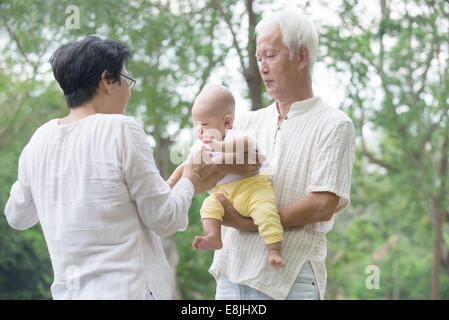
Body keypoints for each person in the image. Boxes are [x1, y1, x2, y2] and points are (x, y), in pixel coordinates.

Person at [3, 36, 255, 300]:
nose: (130, 90)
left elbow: (17, 217)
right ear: (106, 81)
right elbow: (164, 218)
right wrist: (190, 180)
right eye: (127, 80)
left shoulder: (39, 139)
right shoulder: (120, 129)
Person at [209, 9, 356, 300]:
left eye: (271, 55)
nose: (262, 67)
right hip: (230, 274)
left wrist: (249, 224)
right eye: (259, 58)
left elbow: (322, 204)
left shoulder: (334, 124)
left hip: (290, 278)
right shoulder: (246, 123)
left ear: (301, 57)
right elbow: (216, 180)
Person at [167, 85, 284, 267]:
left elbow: (248, 144)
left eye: (204, 124)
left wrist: (220, 147)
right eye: (195, 123)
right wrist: (171, 182)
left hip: (254, 188)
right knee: (208, 206)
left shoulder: (234, 135)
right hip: (227, 193)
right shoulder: (201, 144)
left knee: (266, 212)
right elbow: (187, 165)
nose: (198, 130)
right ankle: (214, 236)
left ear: (227, 122)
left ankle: (274, 249)